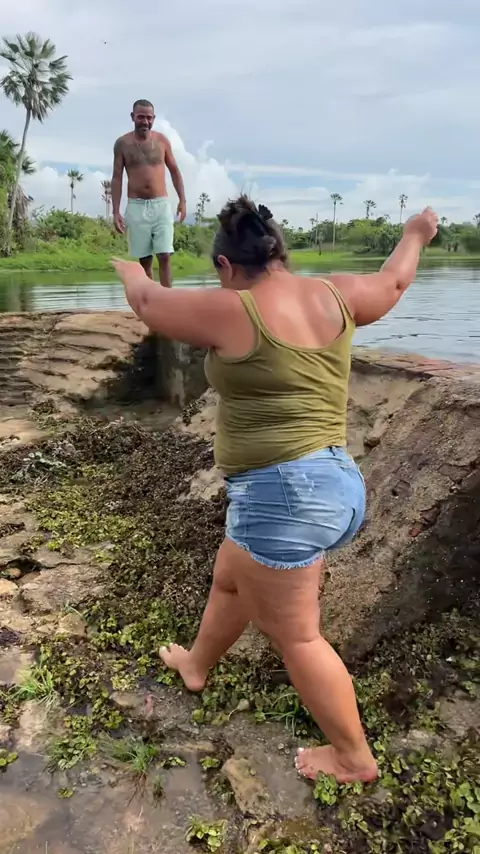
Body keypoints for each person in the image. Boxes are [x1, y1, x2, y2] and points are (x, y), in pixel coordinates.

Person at [112, 197, 438, 784]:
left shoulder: (233, 308)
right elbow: (394, 282)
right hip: (337, 482)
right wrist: (415, 233)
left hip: (285, 497)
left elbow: (149, 304)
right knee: (231, 575)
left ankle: (352, 756)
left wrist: (131, 269)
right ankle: (196, 665)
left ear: (225, 264)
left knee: (298, 636)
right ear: (280, 253)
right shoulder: (337, 293)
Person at [111, 99, 187, 287]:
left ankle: (167, 298)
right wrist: (116, 211)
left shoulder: (162, 141)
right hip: (136, 206)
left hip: (161, 204)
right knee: (145, 259)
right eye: (141, 117)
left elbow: (174, 171)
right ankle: (149, 298)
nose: (145, 121)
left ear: (153, 118)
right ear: (132, 117)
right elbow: (117, 177)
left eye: (149, 117)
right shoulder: (122, 144)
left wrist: (182, 200)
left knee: (165, 255)